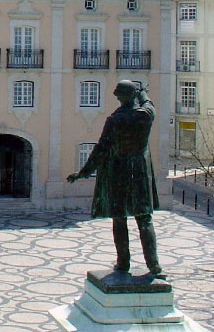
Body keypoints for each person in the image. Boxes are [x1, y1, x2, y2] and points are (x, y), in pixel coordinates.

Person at [67, 80, 163, 278]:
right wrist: (143, 92)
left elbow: (100, 149)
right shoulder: (145, 116)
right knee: (145, 219)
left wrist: (83, 173)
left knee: (119, 219)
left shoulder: (115, 120)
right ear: (134, 95)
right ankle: (154, 266)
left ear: (120, 97)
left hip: (119, 172)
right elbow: (149, 104)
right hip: (140, 173)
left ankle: (123, 262)